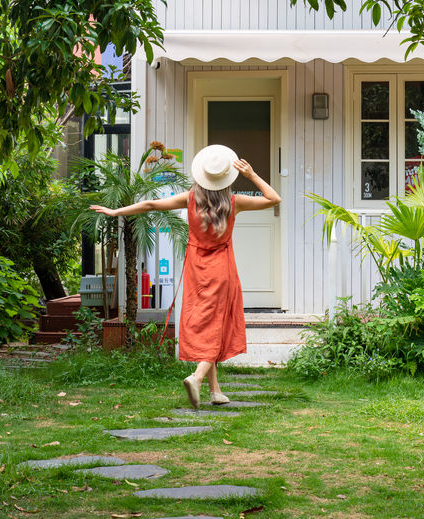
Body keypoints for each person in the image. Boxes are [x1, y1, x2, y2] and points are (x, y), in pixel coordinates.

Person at [90, 144, 281, 408]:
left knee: (205, 324)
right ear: (227, 178)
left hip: (195, 269)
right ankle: (197, 377)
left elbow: (149, 204)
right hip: (222, 269)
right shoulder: (234, 203)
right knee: (217, 325)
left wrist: (116, 212)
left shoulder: (190, 199)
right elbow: (274, 199)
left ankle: (216, 391)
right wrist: (252, 175)